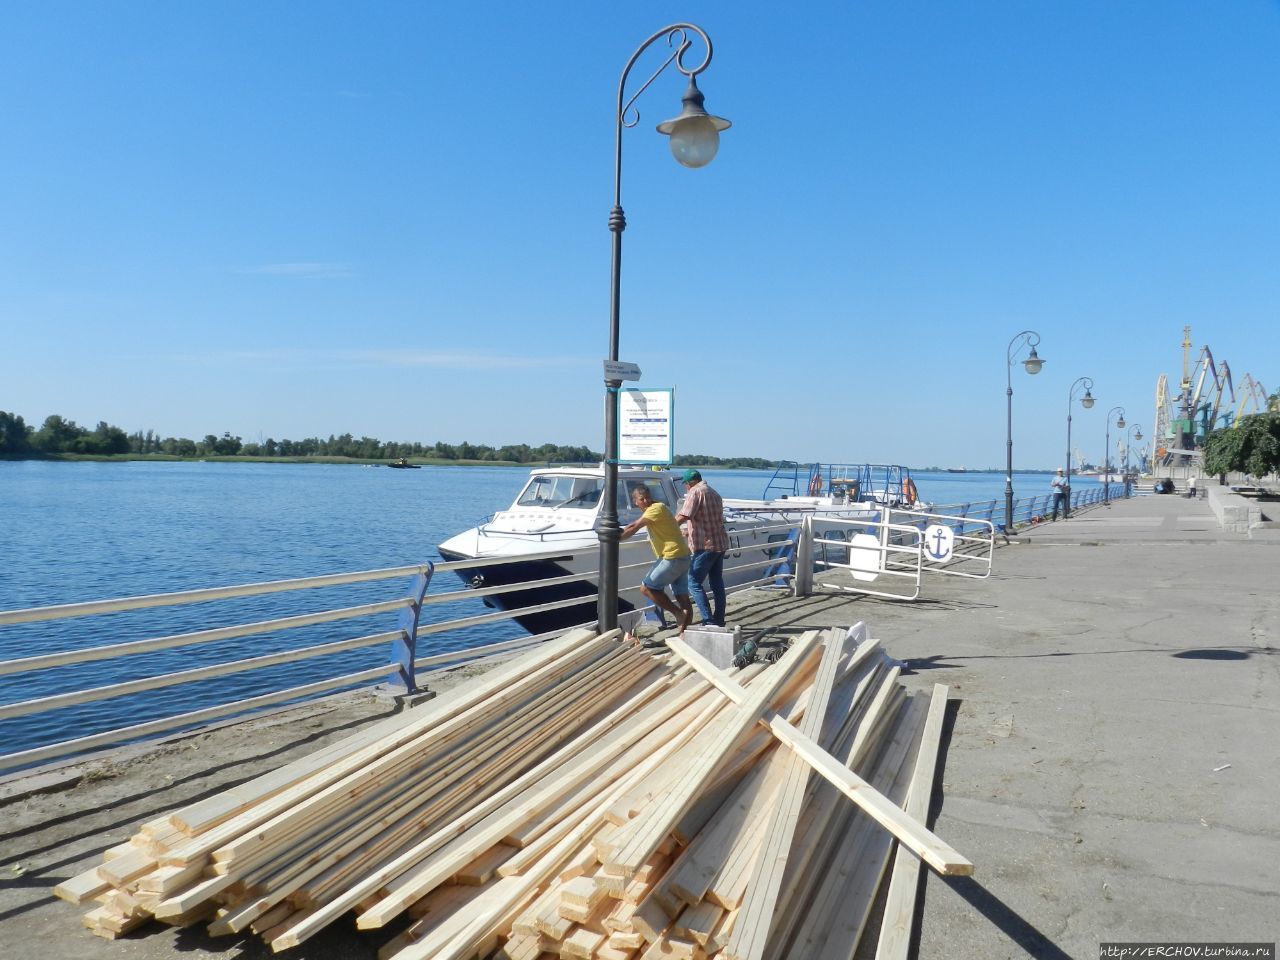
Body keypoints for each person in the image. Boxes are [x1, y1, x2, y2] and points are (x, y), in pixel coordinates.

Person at [620, 483, 693, 641]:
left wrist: (615, 539)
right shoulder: (658, 509)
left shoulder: (656, 508)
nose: (645, 501)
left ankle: (677, 614)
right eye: (642, 499)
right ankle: (685, 636)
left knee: (646, 588)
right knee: (682, 597)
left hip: (672, 556)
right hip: (683, 556)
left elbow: (635, 525)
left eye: (647, 497)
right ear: (635, 501)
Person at [674, 469, 729, 627]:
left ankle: (708, 619)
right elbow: (707, 520)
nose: (686, 487)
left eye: (685, 484)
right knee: (716, 582)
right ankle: (719, 619)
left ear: (689, 483)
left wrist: (669, 527)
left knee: (693, 582)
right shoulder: (714, 493)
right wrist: (688, 531)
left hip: (705, 546)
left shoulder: (695, 492)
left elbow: (684, 515)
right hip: (720, 543)